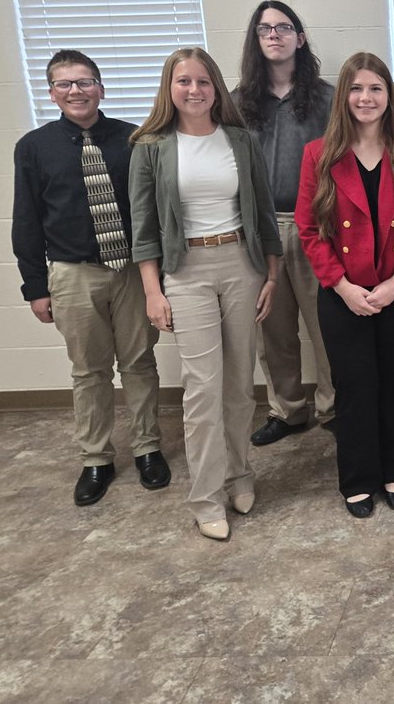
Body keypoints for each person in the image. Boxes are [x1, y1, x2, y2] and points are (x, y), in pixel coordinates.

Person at [129, 48, 281, 541]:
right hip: (186, 271)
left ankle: (240, 475)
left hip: (241, 264)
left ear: (216, 87)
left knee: (240, 384)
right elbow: (144, 228)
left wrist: (272, 276)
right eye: (183, 82)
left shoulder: (239, 140)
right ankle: (206, 496)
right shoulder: (151, 146)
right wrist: (154, 291)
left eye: (202, 81)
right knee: (202, 390)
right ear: (169, 89)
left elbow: (262, 213)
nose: (193, 90)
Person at [12, 50, 169, 507]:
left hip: (131, 272)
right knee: (89, 371)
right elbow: (27, 219)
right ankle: (97, 457)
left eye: (84, 82)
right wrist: (35, 286)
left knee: (139, 363)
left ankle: (147, 448)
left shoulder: (133, 139)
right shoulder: (34, 147)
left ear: (101, 88)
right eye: (65, 84)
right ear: (52, 93)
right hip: (73, 274)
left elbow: (152, 208)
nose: (76, 91)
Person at [295, 54, 394, 518]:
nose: (366, 98)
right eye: (357, 89)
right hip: (344, 294)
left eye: (375, 88)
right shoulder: (319, 154)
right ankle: (358, 479)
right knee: (354, 386)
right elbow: (309, 229)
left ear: (388, 96)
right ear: (344, 96)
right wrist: (341, 287)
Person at [236, 0, 337, 447]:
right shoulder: (238, 103)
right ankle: (288, 409)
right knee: (273, 330)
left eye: (283, 27)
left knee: (328, 326)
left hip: (318, 225)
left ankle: (335, 407)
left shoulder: (327, 98)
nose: (274, 35)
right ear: (256, 42)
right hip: (261, 228)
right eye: (264, 29)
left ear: (300, 37)